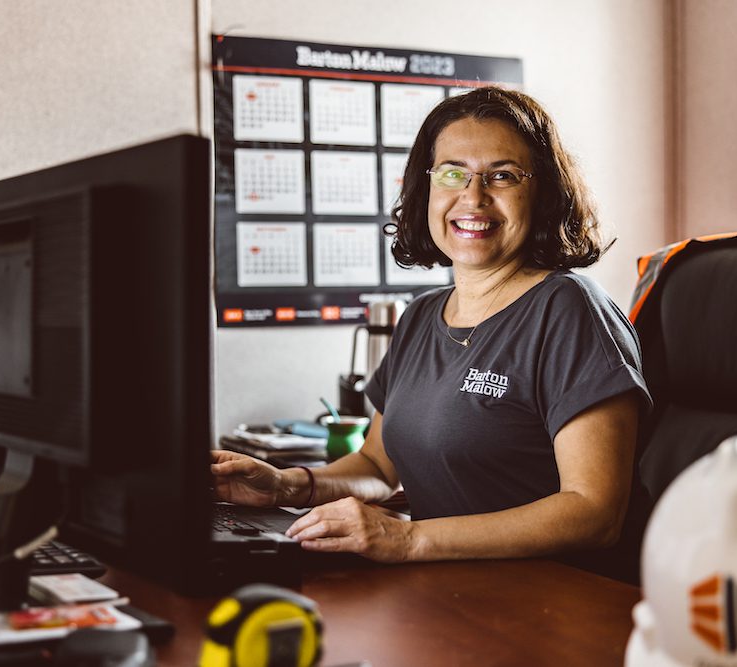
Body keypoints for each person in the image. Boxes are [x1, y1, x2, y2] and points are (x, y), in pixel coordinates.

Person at [211, 87, 651, 574]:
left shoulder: (569, 310)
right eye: (452, 173)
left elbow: (595, 512)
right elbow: (378, 468)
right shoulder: (421, 317)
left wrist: (409, 539)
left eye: (502, 175)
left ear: (542, 191)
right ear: (428, 190)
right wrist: (284, 485)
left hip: (558, 602)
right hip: (448, 592)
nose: (473, 197)